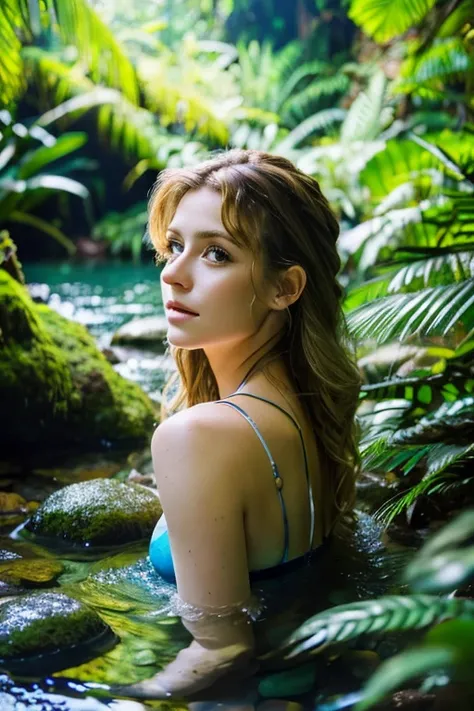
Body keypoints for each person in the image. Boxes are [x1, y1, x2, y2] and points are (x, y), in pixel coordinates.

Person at [119, 149, 361, 700]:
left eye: (217, 254)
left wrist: (110, 698)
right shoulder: (310, 407)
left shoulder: (195, 436)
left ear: (285, 288)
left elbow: (221, 649)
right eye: (175, 245)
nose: (172, 274)